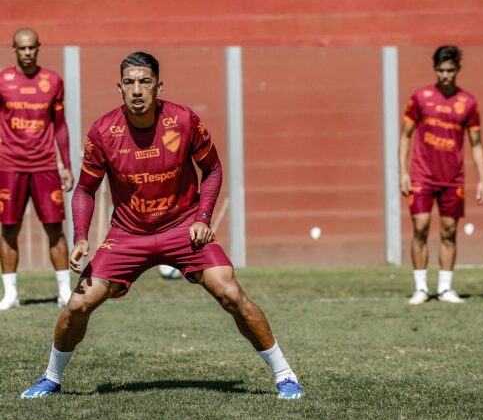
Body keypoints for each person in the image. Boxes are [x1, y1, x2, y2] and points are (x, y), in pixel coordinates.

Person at [21, 52, 302, 400]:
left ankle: (285, 375)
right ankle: (51, 378)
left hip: (183, 228)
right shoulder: (103, 131)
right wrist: (80, 237)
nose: (137, 90)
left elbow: (212, 170)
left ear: (158, 87)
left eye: (145, 82)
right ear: (120, 89)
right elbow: (85, 189)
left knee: (230, 294)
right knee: (78, 304)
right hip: (128, 235)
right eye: (129, 83)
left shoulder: (183, 121)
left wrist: (202, 218)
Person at [399, 46, 483, 305]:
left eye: (449, 70)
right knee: (421, 227)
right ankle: (421, 288)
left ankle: (445, 288)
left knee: (449, 231)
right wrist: (403, 171)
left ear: (457, 69)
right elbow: (405, 136)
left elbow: (476, 144)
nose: (445, 75)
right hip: (422, 176)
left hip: (452, 179)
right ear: (435, 69)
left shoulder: (468, 103)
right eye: (440, 70)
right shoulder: (420, 97)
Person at [0, 28, 73, 310]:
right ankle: (10, 295)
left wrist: (66, 166)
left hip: (45, 166)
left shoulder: (52, 81)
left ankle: (65, 292)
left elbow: (60, 125)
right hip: (10, 166)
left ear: (39, 48)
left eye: (32, 47)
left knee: (55, 228)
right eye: (22, 48)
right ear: (14, 49)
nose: (27, 52)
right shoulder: (3, 81)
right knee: (9, 229)